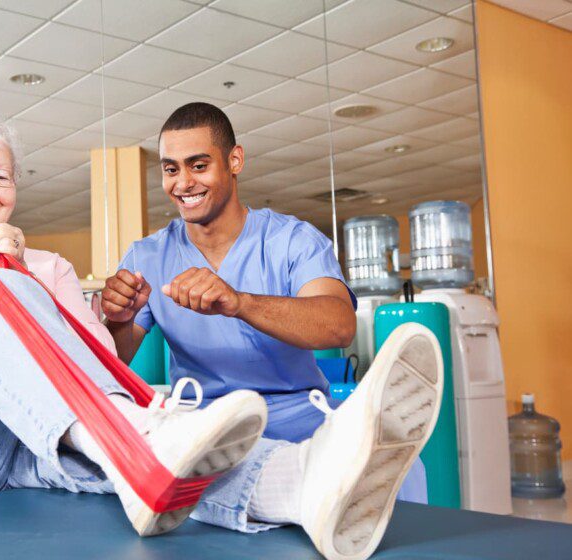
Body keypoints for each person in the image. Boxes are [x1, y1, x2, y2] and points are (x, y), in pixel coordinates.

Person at [0, 109, 443, 560]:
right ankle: (141, 442)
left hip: (9, 449)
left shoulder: (44, 267)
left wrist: (20, 275)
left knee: (140, 455)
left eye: (0, 176)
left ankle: (298, 486)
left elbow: (98, 372)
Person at [102, 102, 427, 502]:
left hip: (295, 418)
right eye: (171, 169)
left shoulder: (293, 240)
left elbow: (339, 325)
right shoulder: (146, 256)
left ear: (234, 160)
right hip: (202, 425)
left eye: (198, 165)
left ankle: (370, 421)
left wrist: (238, 302)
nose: (183, 182)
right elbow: (110, 363)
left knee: (404, 473)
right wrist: (117, 320)